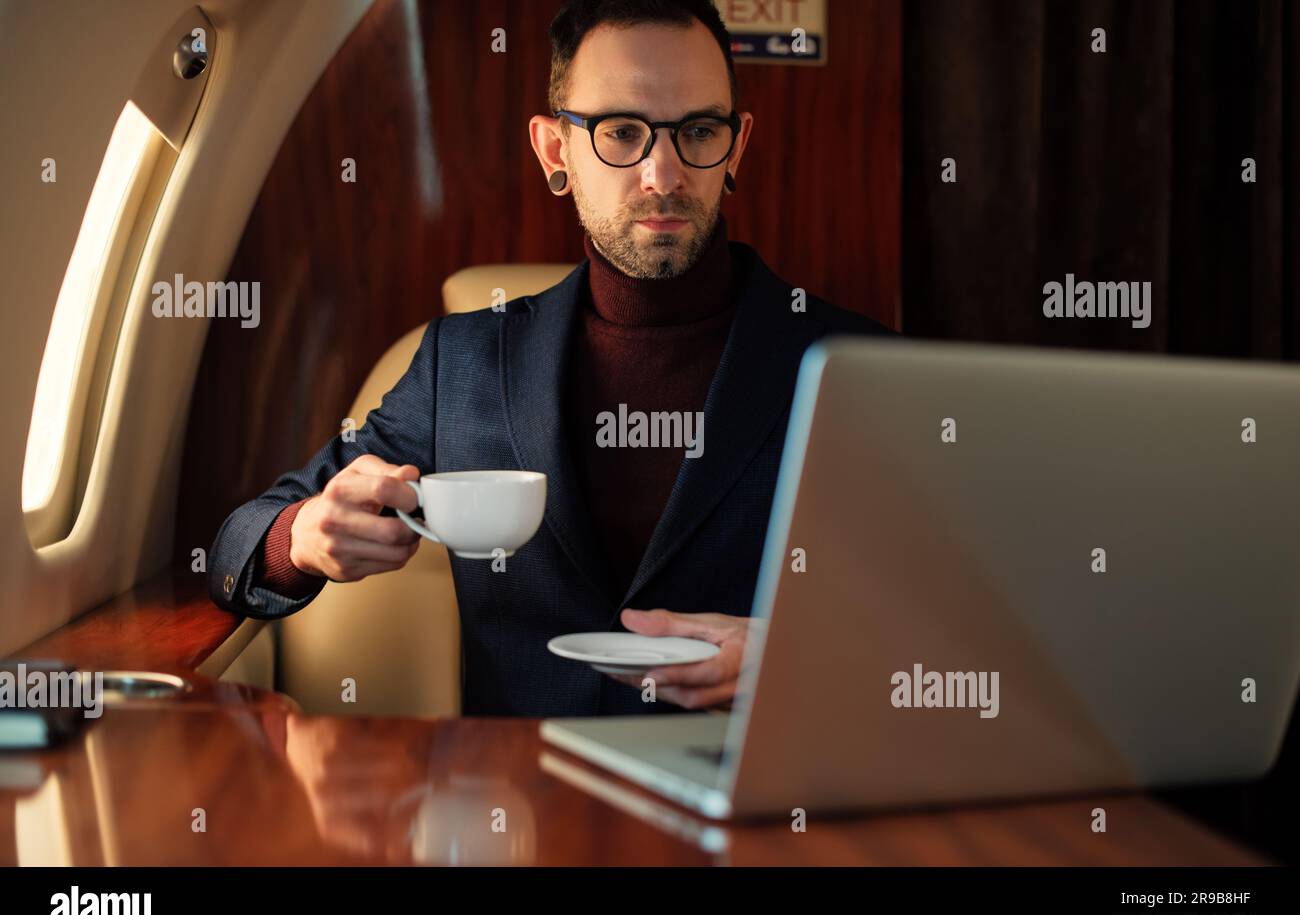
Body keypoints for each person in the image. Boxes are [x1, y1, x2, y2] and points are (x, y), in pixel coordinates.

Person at [208, 0, 896, 717]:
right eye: (621, 132)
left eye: (698, 130)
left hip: (752, 803)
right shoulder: (460, 363)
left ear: (737, 147)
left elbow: (964, 620)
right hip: (519, 805)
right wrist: (307, 537)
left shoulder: (859, 366)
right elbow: (238, 547)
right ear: (555, 152)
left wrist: (806, 660)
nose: (663, 173)